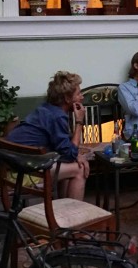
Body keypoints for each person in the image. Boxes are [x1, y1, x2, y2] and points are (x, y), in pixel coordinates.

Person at [5, 70, 91, 200]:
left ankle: (63, 212)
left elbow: (63, 149)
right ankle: (74, 217)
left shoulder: (46, 109)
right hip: (21, 172)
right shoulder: (57, 116)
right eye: (78, 93)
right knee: (79, 169)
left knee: (72, 164)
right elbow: (68, 154)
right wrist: (79, 121)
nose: (82, 97)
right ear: (67, 98)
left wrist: (75, 155)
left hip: (12, 165)